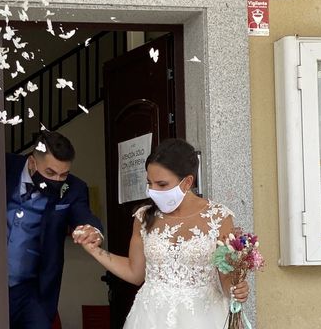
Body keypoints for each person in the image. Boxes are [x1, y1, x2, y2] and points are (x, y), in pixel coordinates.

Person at [76, 138, 249, 328]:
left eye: (162, 184)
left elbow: (226, 279)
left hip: (204, 316)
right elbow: (135, 273)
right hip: (151, 317)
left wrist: (236, 288)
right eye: (149, 183)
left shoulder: (219, 218)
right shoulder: (143, 217)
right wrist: (95, 250)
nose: (153, 191)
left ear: (187, 182)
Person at [6, 130, 103, 329]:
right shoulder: (2, 167)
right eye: (50, 173)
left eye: (63, 175)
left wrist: (92, 230)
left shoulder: (74, 188)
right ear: (32, 163)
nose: (57, 180)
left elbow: (83, 216)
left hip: (33, 292)